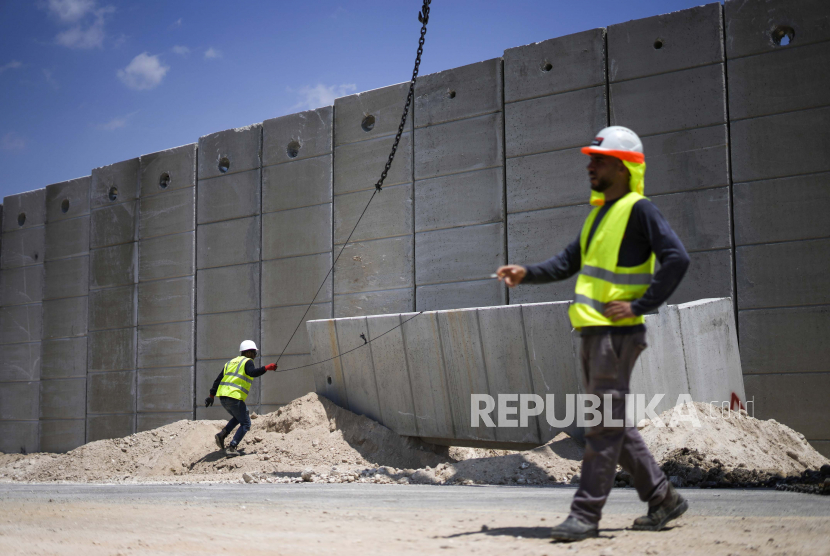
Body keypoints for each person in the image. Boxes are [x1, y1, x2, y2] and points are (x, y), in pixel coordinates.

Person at [496, 126, 691, 542]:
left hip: (616, 335)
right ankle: (663, 498)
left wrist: (640, 306)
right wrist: (526, 273)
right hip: (592, 333)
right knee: (613, 422)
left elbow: (677, 258)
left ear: (623, 166)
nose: (590, 165)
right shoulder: (600, 214)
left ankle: (585, 515)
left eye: (598, 159)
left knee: (602, 425)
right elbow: (568, 262)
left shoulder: (640, 210)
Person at [204, 340, 277, 456]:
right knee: (246, 423)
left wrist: (211, 396)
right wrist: (267, 368)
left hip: (223, 397)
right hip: (234, 396)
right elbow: (252, 373)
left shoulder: (230, 362)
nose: (255, 356)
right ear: (248, 353)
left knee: (239, 417)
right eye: (254, 353)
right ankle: (232, 447)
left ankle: (222, 434)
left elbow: (218, 379)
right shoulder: (248, 362)